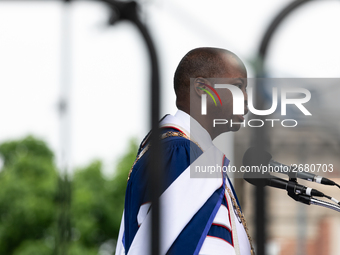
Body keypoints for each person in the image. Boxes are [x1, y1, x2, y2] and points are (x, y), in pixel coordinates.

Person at [115, 47, 254, 255]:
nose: (245, 99)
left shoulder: (199, 157)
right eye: (237, 87)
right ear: (202, 88)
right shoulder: (178, 153)